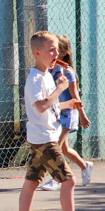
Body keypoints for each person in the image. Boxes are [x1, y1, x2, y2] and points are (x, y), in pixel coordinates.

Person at [12, 31, 97, 211]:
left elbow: (49, 107)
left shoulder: (47, 76)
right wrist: (61, 88)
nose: (56, 54)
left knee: (31, 182)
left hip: (42, 137)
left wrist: (68, 105)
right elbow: (40, 106)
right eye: (51, 50)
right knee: (69, 181)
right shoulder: (35, 79)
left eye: (57, 50)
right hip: (45, 140)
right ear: (37, 53)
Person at [39, 35, 93, 191]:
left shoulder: (67, 72)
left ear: (62, 52)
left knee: (56, 147)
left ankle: (58, 178)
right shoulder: (50, 69)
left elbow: (75, 96)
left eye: (56, 49)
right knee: (64, 149)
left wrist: (82, 114)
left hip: (68, 114)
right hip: (57, 112)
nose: (53, 53)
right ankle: (85, 165)